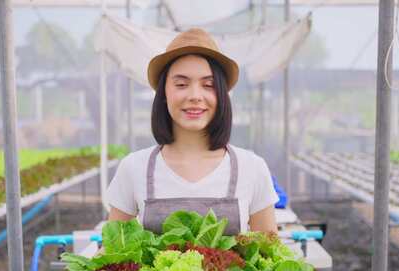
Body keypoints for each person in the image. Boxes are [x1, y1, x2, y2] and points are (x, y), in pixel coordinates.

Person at [106, 28, 278, 234]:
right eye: (181, 84)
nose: (195, 95)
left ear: (222, 95)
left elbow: (270, 254)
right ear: (164, 94)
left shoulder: (251, 168)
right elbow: (111, 250)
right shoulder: (134, 168)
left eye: (208, 85)